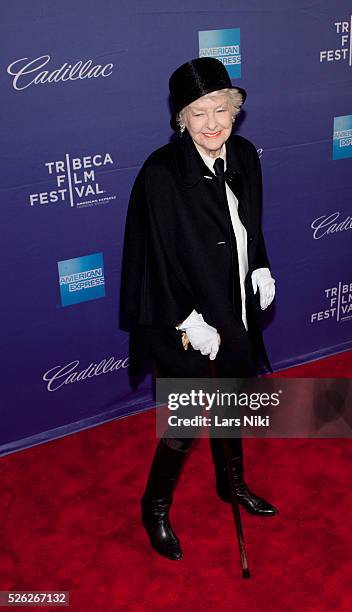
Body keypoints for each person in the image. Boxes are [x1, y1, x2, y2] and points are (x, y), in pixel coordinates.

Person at [120, 57, 278, 561]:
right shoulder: (161, 175)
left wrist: (260, 266)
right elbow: (150, 258)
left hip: (235, 309)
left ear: (234, 111)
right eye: (199, 114)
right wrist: (185, 318)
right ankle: (155, 507)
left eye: (220, 110)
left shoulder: (246, 156)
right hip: (183, 322)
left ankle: (231, 486)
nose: (213, 124)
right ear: (181, 121)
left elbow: (248, 225)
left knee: (234, 405)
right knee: (185, 424)